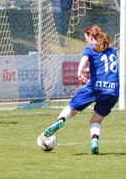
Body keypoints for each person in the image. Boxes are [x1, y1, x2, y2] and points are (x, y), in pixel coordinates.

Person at [42, 25, 119, 155]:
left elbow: (84, 59)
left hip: (96, 87)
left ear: (91, 36)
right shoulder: (111, 49)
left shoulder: (90, 48)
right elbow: (106, 67)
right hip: (113, 91)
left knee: (72, 107)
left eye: (86, 38)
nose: (86, 41)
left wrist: (79, 72)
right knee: (95, 120)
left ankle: (60, 121)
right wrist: (90, 70)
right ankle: (94, 142)